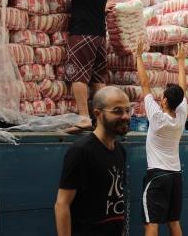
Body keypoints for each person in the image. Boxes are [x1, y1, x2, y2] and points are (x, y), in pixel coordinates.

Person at [22, 0, 111, 133]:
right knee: (97, 78)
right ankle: (103, 118)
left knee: (79, 74)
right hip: (100, 35)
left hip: (82, 33)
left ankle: (85, 118)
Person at [54, 86, 132, 236]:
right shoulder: (81, 151)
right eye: (117, 111)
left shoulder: (120, 151)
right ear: (98, 114)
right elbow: (62, 204)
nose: (125, 116)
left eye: (128, 110)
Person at [136, 40, 187, 236]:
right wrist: (181, 62)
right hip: (175, 176)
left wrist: (138, 56)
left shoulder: (157, 118)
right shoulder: (181, 116)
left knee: (151, 223)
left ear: (164, 100)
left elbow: (144, 83)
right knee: (174, 222)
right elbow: (182, 89)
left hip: (157, 175)